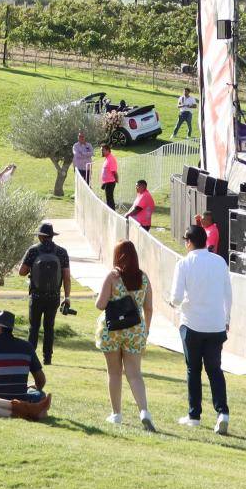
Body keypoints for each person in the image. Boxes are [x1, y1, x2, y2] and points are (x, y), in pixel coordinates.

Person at [170, 224, 231, 432]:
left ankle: (194, 414)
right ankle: (222, 412)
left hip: (192, 324)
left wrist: (172, 302)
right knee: (215, 369)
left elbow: (176, 297)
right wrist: (226, 318)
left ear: (189, 242)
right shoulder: (219, 261)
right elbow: (227, 294)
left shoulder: (184, 264)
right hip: (215, 324)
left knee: (193, 369)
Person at [94, 240, 153, 430]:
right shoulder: (143, 278)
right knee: (135, 374)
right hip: (135, 330)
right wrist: (146, 331)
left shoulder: (112, 277)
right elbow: (149, 308)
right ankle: (144, 411)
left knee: (114, 372)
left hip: (112, 330)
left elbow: (100, 305)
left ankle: (116, 414)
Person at [18, 222, 71, 364]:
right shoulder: (61, 252)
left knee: (33, 327)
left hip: (36, 296)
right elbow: (66, 277)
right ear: (52, 236)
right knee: (49, 327)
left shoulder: (33, 251)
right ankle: (47, 358)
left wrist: (32, 270)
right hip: (53, 297)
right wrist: (67, 297)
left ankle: (30, 357)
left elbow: (21, 272)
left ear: (41, 237)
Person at [98, 145, 120, 209]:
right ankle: (110, 211)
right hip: (107, 182)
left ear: (108, 150)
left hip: (110, 183)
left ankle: (112, 212)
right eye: (101, 150)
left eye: (103, 150)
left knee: (110, 199)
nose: (101, 152)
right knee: (108, 198)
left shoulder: (111, 159)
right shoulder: (107, 158)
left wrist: (116, 179)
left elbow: (114, 172)